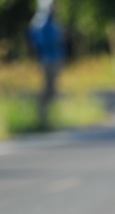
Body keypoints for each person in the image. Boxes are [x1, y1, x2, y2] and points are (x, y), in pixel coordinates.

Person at [28, 0, 65, 128]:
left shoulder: (53, 22)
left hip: (54, 59)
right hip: (47, 60)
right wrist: (57, 39)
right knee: (47, 89)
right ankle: (40, 116)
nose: (56, 8)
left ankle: (45, 118)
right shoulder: (41, 22)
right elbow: (39, 42)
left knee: (52, 90)